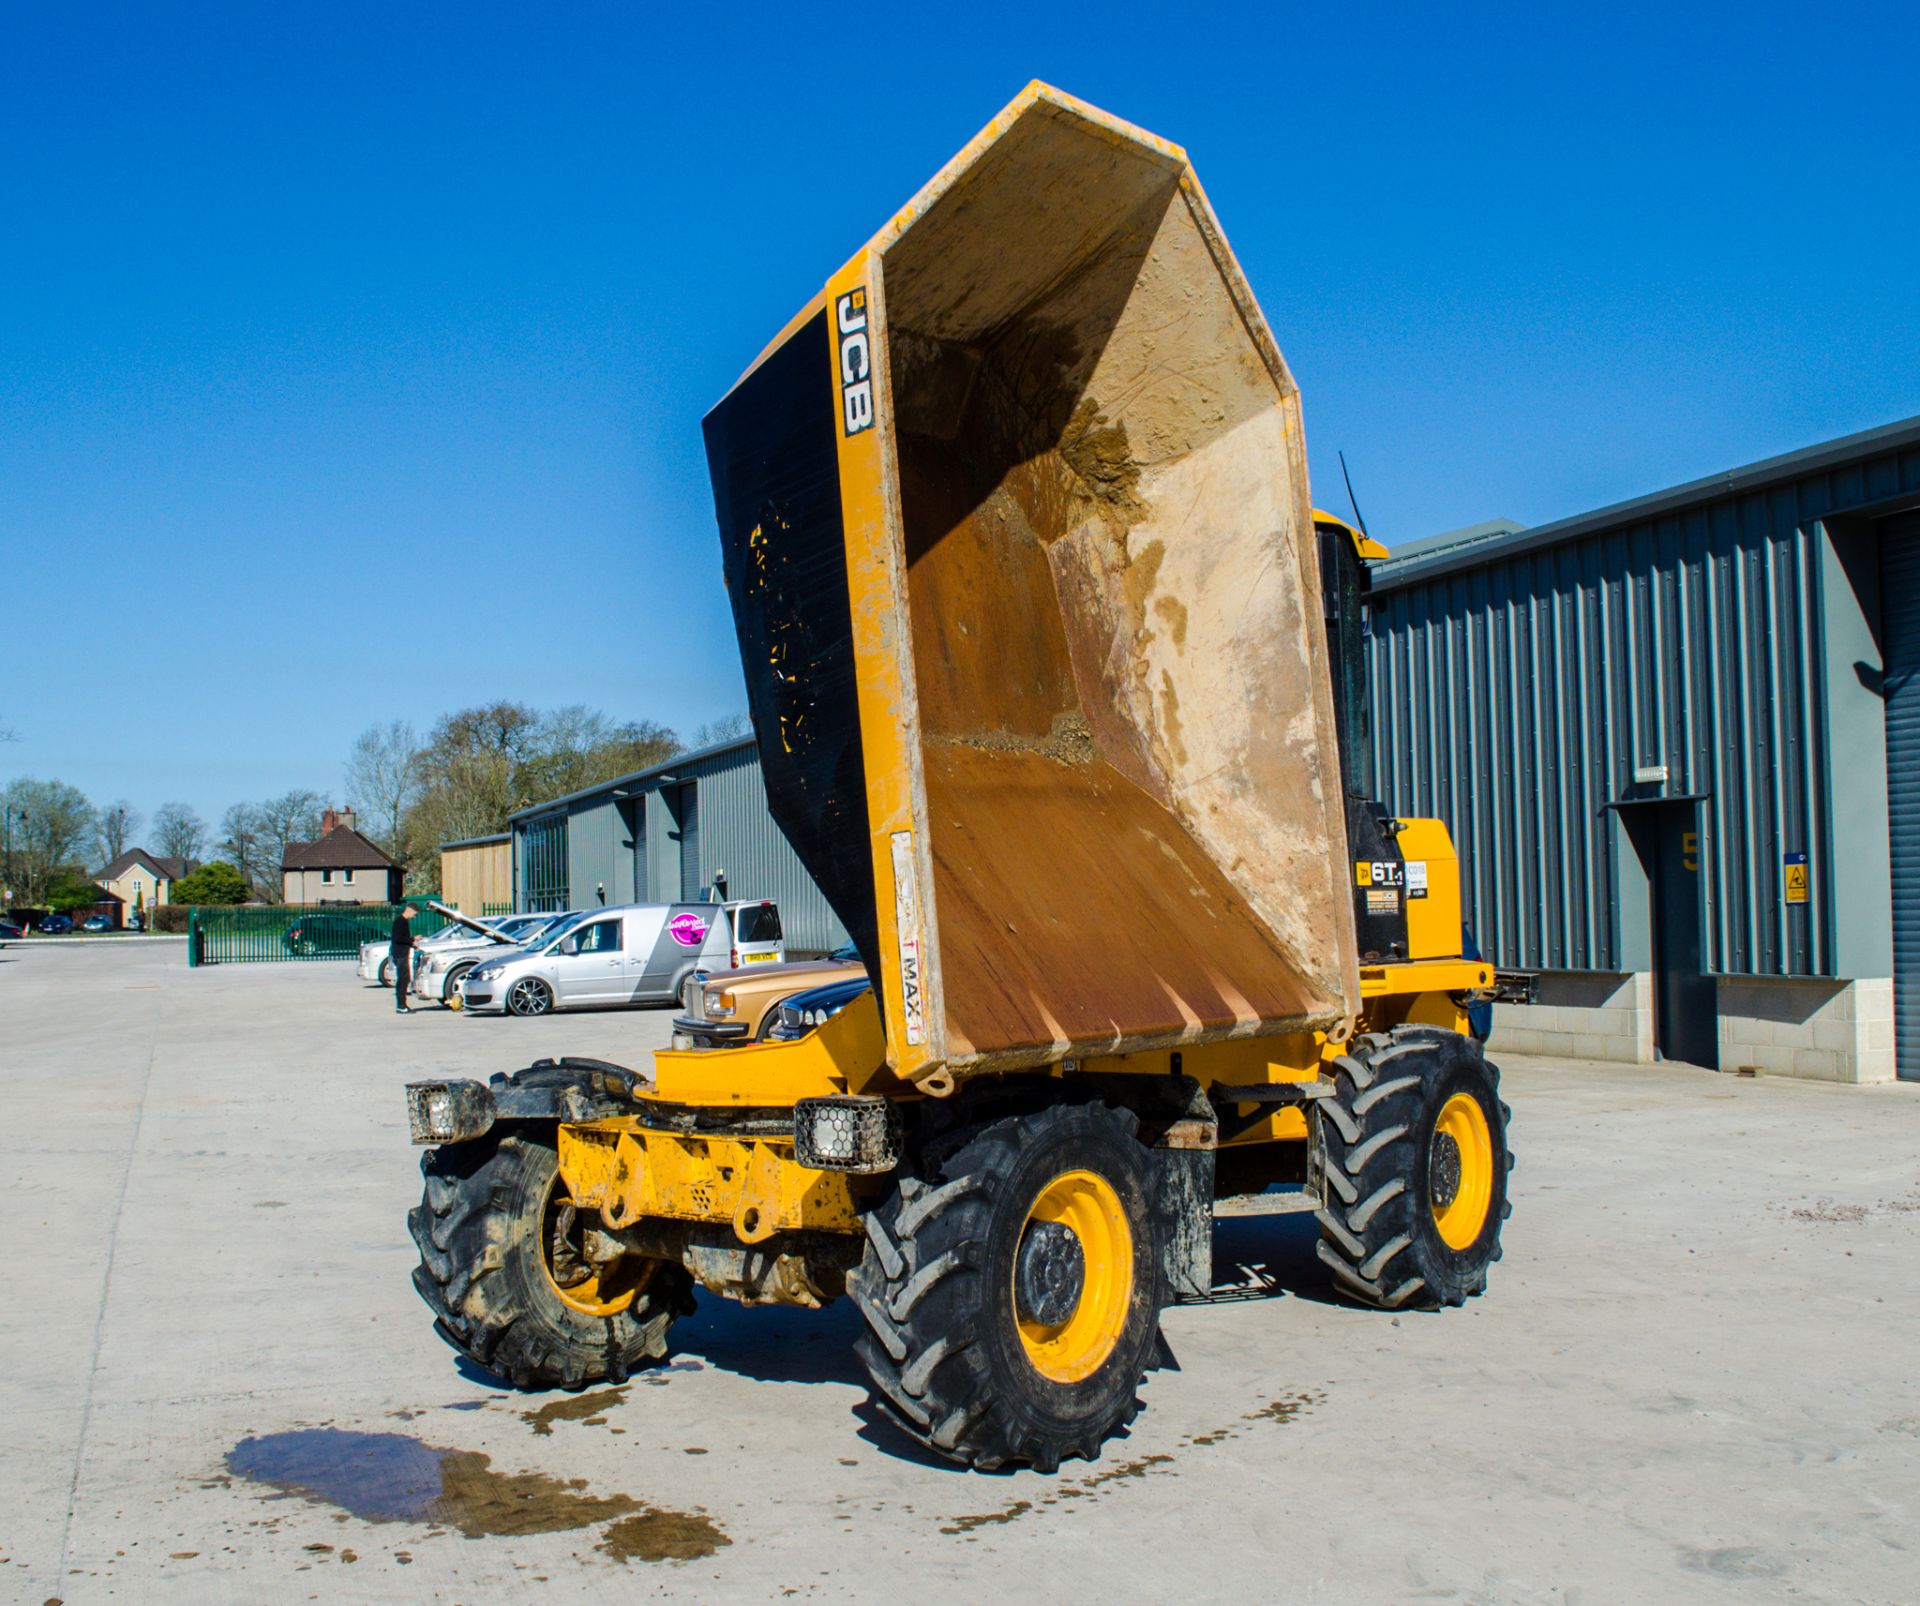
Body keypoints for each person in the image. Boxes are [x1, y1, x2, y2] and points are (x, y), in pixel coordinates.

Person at [391, 904, 417, 1014]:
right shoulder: (400, 921)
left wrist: (412, 944)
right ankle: (401, 1005)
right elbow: (399, 938)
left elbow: (402, 939)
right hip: (400, 954)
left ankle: (402, 1004)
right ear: (410, 911)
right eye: (414, 914)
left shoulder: (402, 921)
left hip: (402, 953)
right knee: (403, 979)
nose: (414, 916)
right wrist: (412, 939)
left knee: (404, 978)